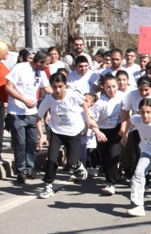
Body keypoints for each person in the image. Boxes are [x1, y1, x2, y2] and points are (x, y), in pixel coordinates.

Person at [35, 73, 99, 198]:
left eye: (60, 86)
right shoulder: (49, 99)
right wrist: (42, 136)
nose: (58, 90)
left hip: (73, 131)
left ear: (65, 85)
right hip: (56, 131)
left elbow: (84, 103)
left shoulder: (72, 95)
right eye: (55, 87)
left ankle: (77, 164)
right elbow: (38, 118)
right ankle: (48, 186)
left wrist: (88, 119)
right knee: (52, 159)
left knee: (70, 162)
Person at [4, 49, 50, 183]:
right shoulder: (20, 68)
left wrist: (62, 95)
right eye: (46, 63)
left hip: (32, 113)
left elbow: (47, 89)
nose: (48, 66)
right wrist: (24, 100)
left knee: (32, 143)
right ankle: (21, 170)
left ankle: (30, 169)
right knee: (20, 143)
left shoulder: (41, 73)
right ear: (40, 62)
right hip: (17, 112)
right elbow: (8, 87)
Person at [91, 74, 125, 196]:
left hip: (117, 129)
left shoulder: (122, 97)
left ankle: (111, 183)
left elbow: (127, 112)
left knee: (114, 155)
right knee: (105, 158)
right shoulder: (100, 103)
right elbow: (91, 119)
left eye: (114, 86)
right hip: (103, 131)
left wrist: (124, 130)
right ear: (103, 88)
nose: (111, 90)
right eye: (108, 87)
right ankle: (110, 176)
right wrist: (97, 132)